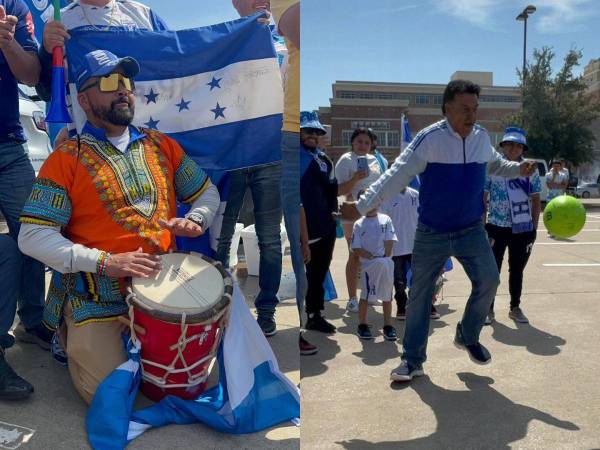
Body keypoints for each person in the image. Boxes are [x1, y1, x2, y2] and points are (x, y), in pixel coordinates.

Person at [18, 49, 220, 404]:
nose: (123, 90)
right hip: (96, 294)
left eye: (127, 82)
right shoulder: (68, 157)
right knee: (109, 397)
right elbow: (32, 236)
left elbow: (208, 194)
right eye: (110, 83)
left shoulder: (163, 146)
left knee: (197, 380)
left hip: (163, 290)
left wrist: (196, 220)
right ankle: (68, 331)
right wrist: (105, 262)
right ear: (84, 99)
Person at [341, 80, 537, 381]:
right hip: (431, 231)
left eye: (475, 109)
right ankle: (412, 360)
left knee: (489, 279)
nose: (471, 116)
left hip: (471, 229)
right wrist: (364, 204)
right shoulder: (429, 140)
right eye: (464, 109)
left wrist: (517, 169)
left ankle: (468, 335)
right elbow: (396, 174)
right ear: (447, 109)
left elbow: (496, 165)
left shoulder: (482, 138)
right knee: (420, 295)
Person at [216, 0, 285, 338]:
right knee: (222, 232)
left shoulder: (285, 43)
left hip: (269, 154)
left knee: (270, 238)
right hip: (232, 153)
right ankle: (217, 304)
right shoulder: (224, 41)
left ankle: (267, 310)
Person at [0, 0, 51, 400]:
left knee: (34, 233)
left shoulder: (15, 4)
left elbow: (33, 74)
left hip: (10, 146)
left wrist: (6, 43)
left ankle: (32, 321)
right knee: (3, 249)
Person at [38, 0, 168, 146]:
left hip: (149, 141)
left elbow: (176, 74)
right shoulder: (60, 20)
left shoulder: (145, 15)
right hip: (89, 144)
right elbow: (46, 91)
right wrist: (47, 51)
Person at [271, 0, 317, 355]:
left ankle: (302, 324)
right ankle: (289, 322)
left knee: (300, 245)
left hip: (291, 130)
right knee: (278, 235)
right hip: (286, 130)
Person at [484, 127, 541, 325]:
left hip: (522, 228)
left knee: (517, 270)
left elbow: (535, 200)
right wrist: (482, 226)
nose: (514, 148)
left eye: (518, 145)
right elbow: (483, 198)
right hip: (496, 226)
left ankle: (515, 307)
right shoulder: (492, 167)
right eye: (510, 144)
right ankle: (488, 309)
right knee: (492, 270)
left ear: (523, 148)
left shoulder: (531, 169)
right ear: (503, 145)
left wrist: (534, 228)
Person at [335, 128, 385, 313]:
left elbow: (379, 186)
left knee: (373, 254)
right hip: (352, 212)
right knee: (355, 254)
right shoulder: (345, 160)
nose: (363, 145)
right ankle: (352, 298)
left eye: (367, 143)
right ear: (352, 142)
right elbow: (339, 190)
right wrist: (356, 177)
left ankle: (369, 293)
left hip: (373, 213)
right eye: (359, 141)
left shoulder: (374, 161)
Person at [299, 111, 338, 334]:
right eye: (308, 130)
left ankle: (315, 315)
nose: (313, 135)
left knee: (318, 274)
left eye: (317, 131)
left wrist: (334, 214)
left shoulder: (324, 159)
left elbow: (332, 190)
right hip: (302, 228)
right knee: (301, 275)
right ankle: (300, 317)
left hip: (325, 228)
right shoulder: (292, 157)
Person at [380, 187, 441, 321]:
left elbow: (425, 218)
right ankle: (402, 306)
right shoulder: (386, 197)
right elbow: (382, 223)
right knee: (399, 281)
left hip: (416, 246)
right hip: (396, 248)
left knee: (422, 278)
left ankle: (426, 305)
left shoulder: (415, 194)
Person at [351, 202, 397, 341]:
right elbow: (356, 247)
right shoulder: (358, 224)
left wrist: (385, 256)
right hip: (368, 265)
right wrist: (371, 257)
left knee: (387, 295)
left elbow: (390, 239)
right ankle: (362, 324)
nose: (370, 207)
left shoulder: (386, 219)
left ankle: (388, 325)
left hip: (385, 264)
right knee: (365, 294)